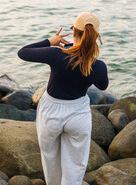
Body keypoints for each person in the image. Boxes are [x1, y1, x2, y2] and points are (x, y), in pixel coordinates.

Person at [17, 12, 109, 185]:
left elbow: (23, 52)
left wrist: (50, 42)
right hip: (78, 115)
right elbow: (102, 86)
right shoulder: (98, 66)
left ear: (74, 32)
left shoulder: (56, 55)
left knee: (50, 159)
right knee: (75, 166)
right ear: (95, 37)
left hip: (50, 112)